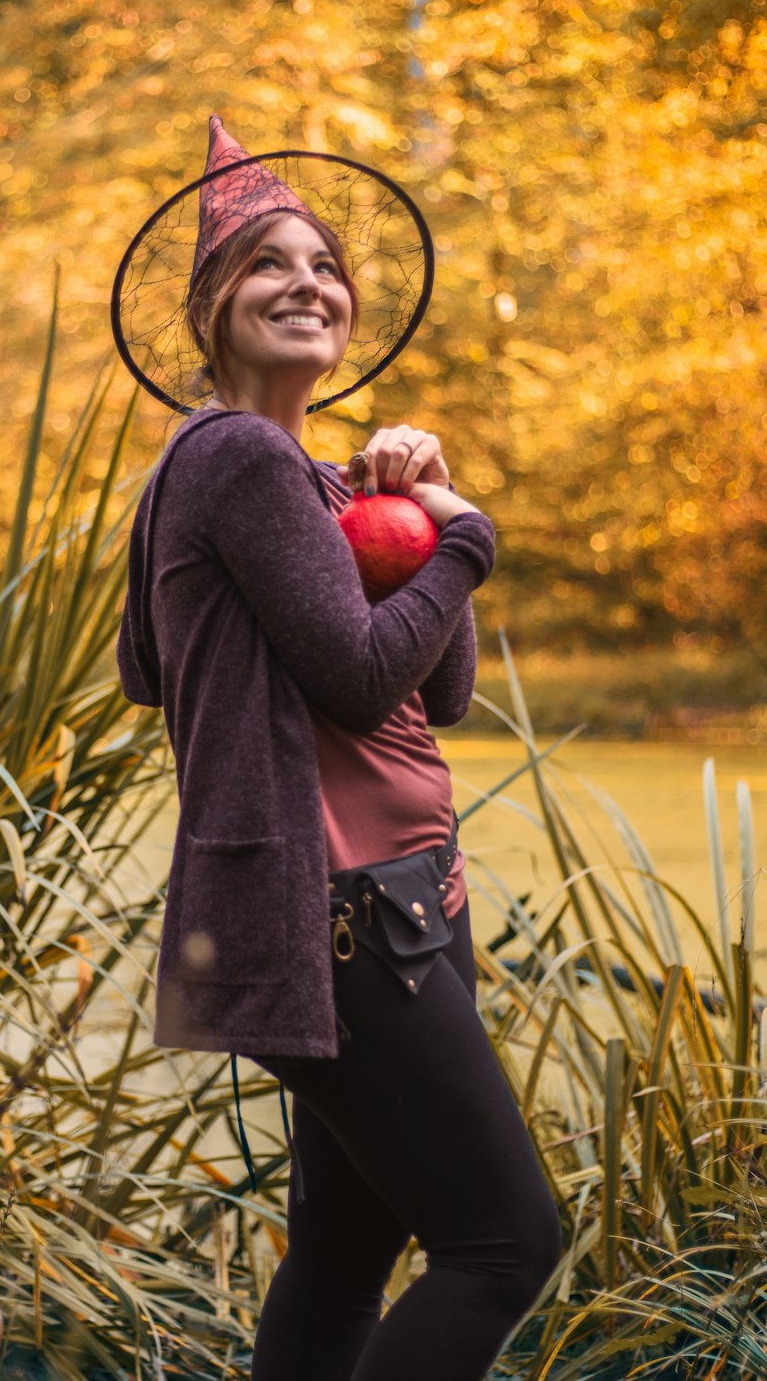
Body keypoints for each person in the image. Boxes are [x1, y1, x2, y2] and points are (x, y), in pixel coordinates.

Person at [114, 116, 562, 1381]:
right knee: (503, 1242)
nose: (305, 282)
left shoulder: (296, 478)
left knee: (345, 1249)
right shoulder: (238, 454)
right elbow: (364, 685)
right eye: (269, 264)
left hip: (407, 903)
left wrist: (403, 514)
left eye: (322, 266)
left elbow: (443, 686)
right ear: (213, 309)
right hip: (345, 913)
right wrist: (469, 540)